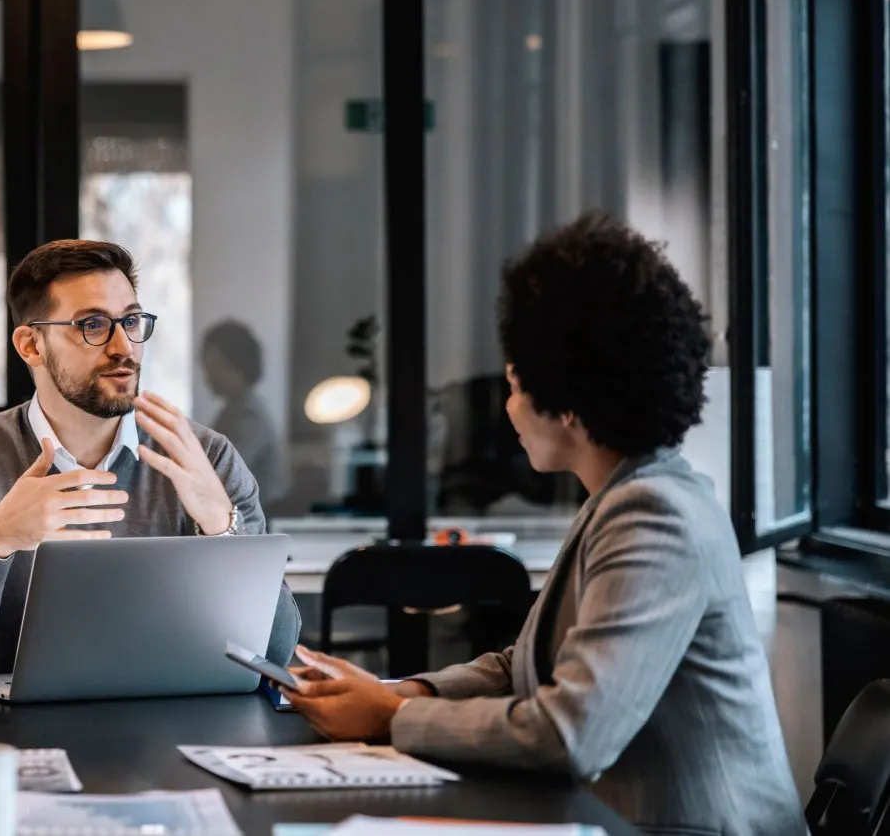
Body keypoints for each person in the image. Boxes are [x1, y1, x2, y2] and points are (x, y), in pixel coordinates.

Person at [280, 213, 803, 836]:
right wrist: (399, 693)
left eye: (514, 385)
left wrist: (388, 718)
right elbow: (524, 667)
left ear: (567, 401)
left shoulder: (654, 516)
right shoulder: (625, 497)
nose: (508, 409)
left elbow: (570, 732)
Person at [0, 240, 301, 672]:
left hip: (175, 710)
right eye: (92, 325)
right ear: (31, 345)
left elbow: (275, 653)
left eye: (131, 321)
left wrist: (222, 527)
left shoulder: (207, 458)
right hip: (20, 713)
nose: (123, 347)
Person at [200, 319, 287, 502]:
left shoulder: (249, 415)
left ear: (240, 367)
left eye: (216, 366)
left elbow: (222, 472)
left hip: (259, 515)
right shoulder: (232, 410)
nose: (208, 375)